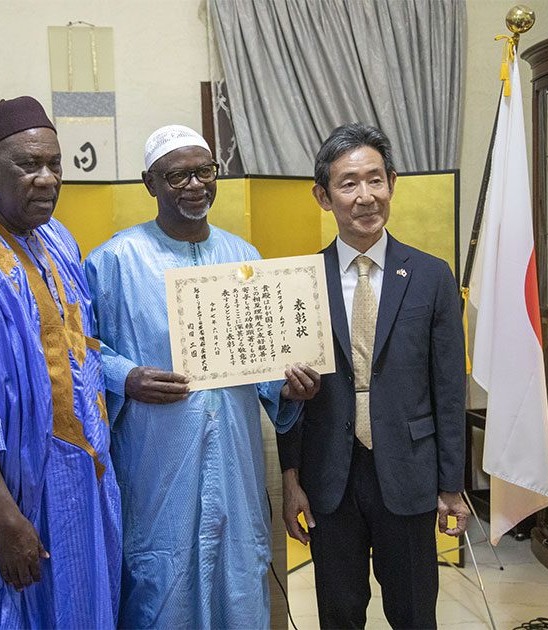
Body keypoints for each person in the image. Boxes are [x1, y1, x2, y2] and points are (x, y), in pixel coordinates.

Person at [84, 124, 320, 629]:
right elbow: (76, 348)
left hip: (235, 461)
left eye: (204, 172)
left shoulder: (244, 259)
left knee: (239, 573)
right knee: (159, 581)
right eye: (177, 176)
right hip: (156, 463)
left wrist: (289, 388)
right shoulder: (113, 261)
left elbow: (264, 365)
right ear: (150, 183)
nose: (195, 185)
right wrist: (126, 377)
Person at [277, 122, 468, 629]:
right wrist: (291, 479)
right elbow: (289, 397)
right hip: (329, 476)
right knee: (339, 614)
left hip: (409, 470)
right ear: (323, 196)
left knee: (414, 613)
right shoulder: (300, 281)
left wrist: (452, 486)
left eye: (375, 179)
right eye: (348, 183)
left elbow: (450, 389)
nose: (366, 196)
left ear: (392, 183)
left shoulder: (431, 275)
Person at [0, 96, 121, 629]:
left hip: (87, 471)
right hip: (20, 487)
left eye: (54, 165)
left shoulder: (58, 238)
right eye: (28, 165)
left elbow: (82, 351)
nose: (47, 179)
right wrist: (1, 513)